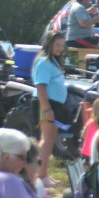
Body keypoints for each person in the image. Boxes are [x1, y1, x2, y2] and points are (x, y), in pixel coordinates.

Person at [33, 30, 71, 188]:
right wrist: (47, 109)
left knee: (50, 139)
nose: (60, 48)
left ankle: (43, 173)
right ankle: (39, 175)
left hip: (54, 103)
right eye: (57, 45)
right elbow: (40, 86)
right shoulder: (43, 62)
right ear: (49, 44)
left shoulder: (54, 62)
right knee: (47, 139)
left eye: (62, 45)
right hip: (46, 103)